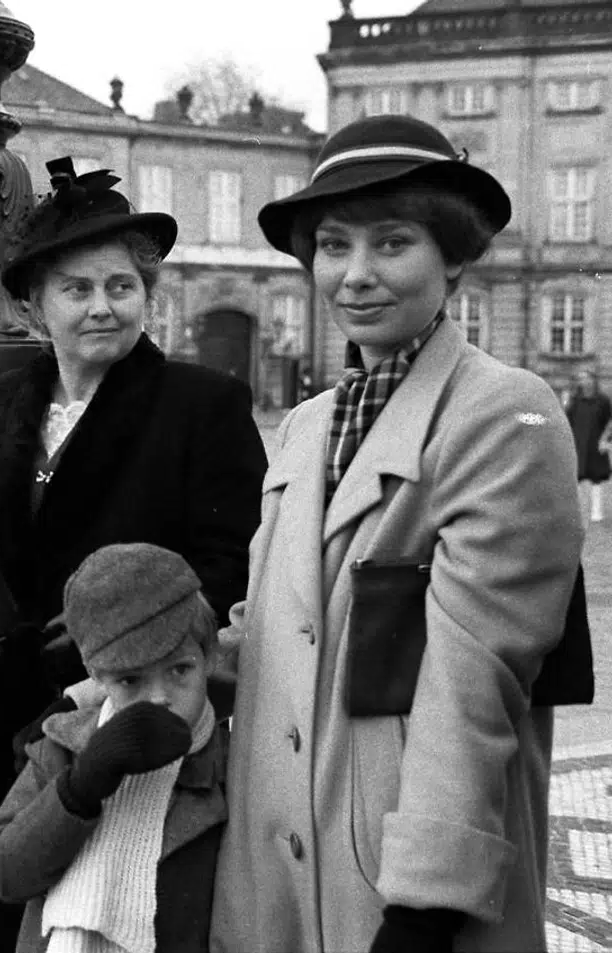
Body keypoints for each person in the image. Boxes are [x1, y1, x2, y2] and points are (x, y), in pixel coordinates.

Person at [212, 115, 586, 953]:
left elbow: (474, 676)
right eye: (333, 246)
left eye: (391, 244)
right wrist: (149, 662)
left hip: (392, 871)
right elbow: (277, 628)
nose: (354, 276)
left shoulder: (502, 411)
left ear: (452, 256)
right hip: (272, 871)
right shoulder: (306, 424)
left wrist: (424, 902)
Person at [0, 157, 266, 953]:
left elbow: (230, 560)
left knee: (112, 916)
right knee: (4, 907)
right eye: (78, 289)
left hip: (126, 716)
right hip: (4, 709)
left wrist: (118, 644)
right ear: (37, 302)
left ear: (147, 295)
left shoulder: (201, 405)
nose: (103, 306)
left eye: (122, 286)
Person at [0, 543, 228, 953]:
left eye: (179, 670)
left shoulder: (229, 762)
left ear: (210, 658)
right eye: (131, 681)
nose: (159, 698)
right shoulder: (63, 749)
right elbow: (6, 875)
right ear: (98, 678)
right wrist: (78, 789)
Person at [566, 369, 611, 524]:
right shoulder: (574, 401)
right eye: (580, 379)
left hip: (595, 444)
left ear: (593, 380)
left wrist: (605, 440)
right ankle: (576, 511)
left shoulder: (603, 401)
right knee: (575, 478)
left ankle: (596, 512)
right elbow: (567, 422)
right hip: (577, 444)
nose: (584, 382)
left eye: (586, 378)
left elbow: (610, 423)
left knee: (596, 478)